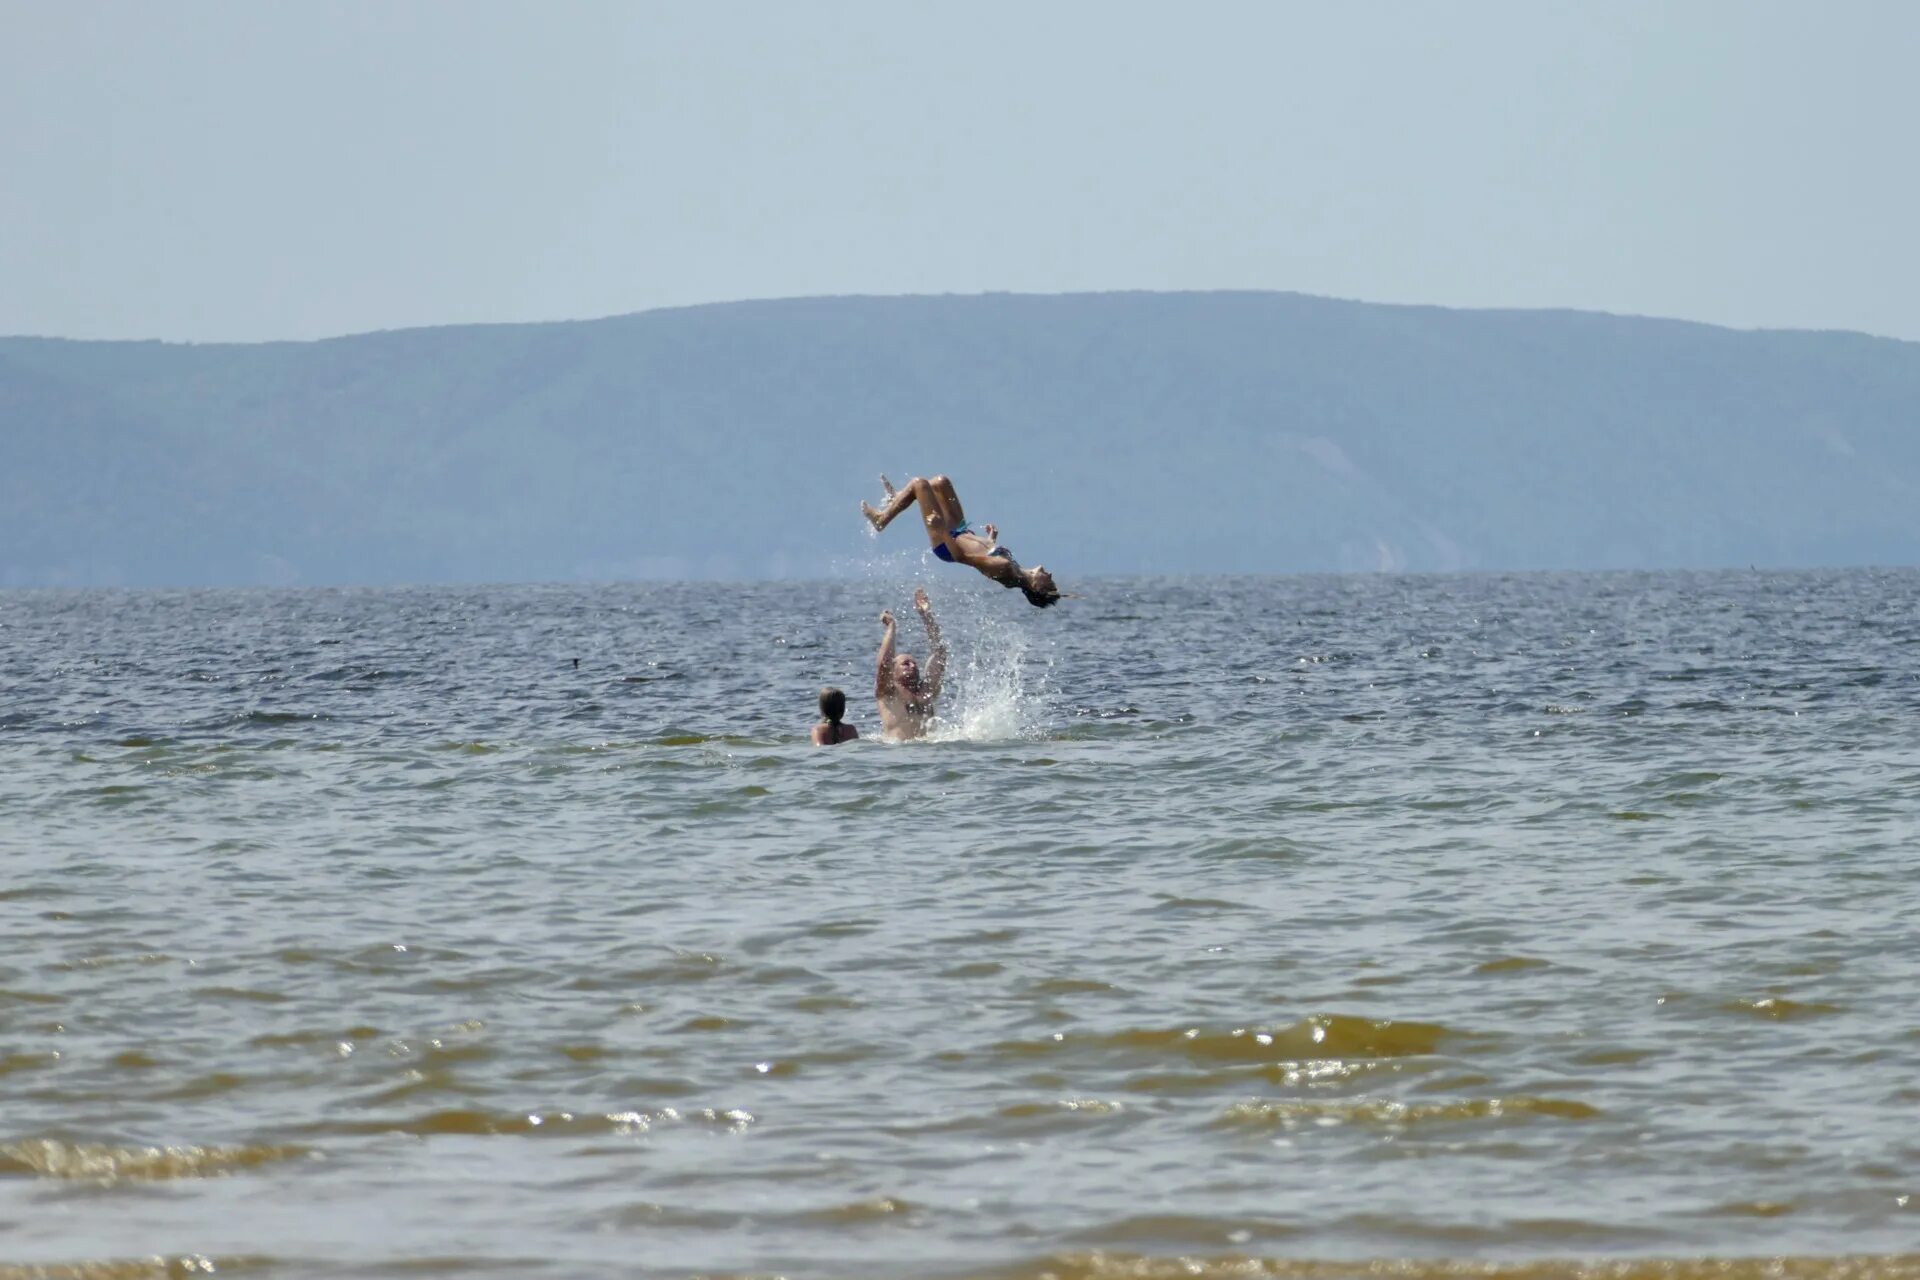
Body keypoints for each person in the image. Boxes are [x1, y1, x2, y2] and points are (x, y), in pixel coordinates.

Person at [862, 475, 1060, 607]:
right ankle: (900, 499)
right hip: (961, 531)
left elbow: (962, 556)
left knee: (919, 484)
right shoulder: (1014, 573)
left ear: (1037, 587)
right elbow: (984, 559)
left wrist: (941, 529)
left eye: (1049, 581)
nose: (1050, 574)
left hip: (947, 542)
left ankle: (881, 520)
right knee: (941, 483)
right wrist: (991, 539)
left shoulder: (1005, 568)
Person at [875, 588, 947, 741]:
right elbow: (884, 664)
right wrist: (891, 627)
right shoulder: (888, 692)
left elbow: (940, 653)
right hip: (900, 755)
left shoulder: (926, 690)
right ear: (893, 671)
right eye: (905, 664)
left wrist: (926, 615)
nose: (913, 666)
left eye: (914, 663)